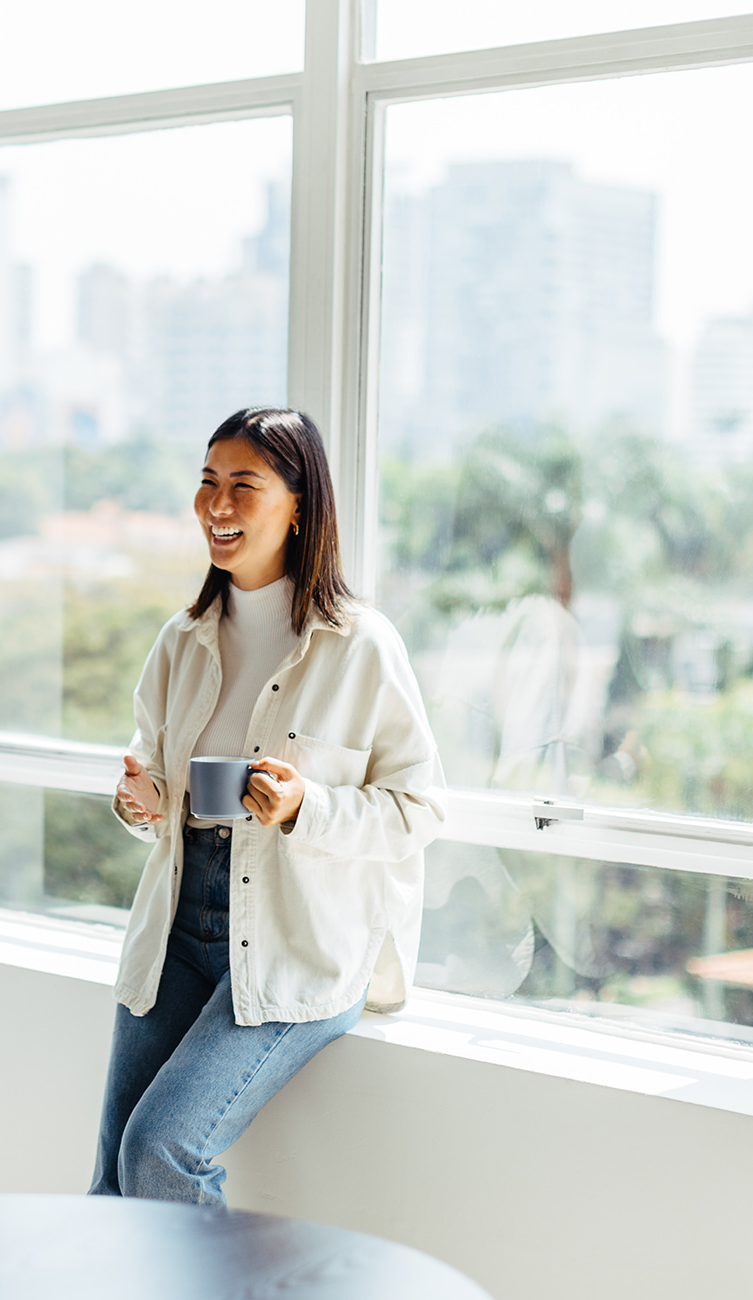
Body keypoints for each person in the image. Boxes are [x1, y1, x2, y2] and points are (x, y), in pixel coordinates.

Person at [91, 406, 446, 1205]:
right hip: (179, 927)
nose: (217, 506)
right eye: (208, 483)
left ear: (298, 505)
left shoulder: (361, 646)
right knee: (111, 1176)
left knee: (159, 1152)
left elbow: (419, 807)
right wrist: (142, 798)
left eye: (243, 486)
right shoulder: (181, 640)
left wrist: (305, 809)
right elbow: (152, 775)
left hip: (299, 941)